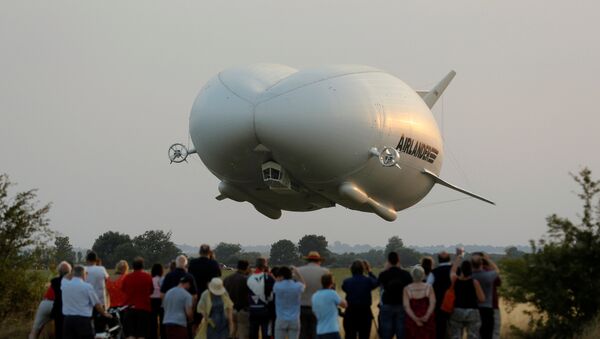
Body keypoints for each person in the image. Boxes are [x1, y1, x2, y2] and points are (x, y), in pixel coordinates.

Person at [61, 265, 112, 339]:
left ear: (73, 274)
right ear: (83, 274)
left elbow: (65, 277)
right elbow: (96, 304)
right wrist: (104, 313)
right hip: (83, 321)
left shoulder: (64, 283)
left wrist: (73, 271)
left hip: (68, 320)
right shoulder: (87, 287)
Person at [448, 251, 485, 339]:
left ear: (461, 270)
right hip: (472, 311)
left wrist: (458, 257)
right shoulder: (474, 282)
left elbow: (452, 271)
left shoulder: (455, 280)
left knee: (455, 336)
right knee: (473, 336)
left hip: (457, 310)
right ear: (470, 270)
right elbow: (482, 299)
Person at [377, 251, 413, 339]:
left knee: (386, 334)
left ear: (388, 261)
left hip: (387, 305)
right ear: (398, 260)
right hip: (402, 305)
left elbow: (381, 289)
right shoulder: (406, 274)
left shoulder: (383, 274)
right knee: (401, 333)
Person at [341, 260, 378, 339]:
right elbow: (377, 282)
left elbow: (344, 288)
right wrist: (369, 272)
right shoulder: (368, 281)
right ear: (363, 269)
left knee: (350, 336)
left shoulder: (346, 282)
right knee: (364, 336)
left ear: (352, 270)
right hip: (365, 313)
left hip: (350, 313)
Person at [297, 251, 329, 339]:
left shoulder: (299, 271)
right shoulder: (325, 272)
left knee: (302, 333)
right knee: (316, 332)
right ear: (319, 261)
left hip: (302, 307)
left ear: (308, 260)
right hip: (318, 307)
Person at [189, 245, 222, 327]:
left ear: (199, 252)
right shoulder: (213, 263)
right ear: (209, 252)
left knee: (195, 322)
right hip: (210, 295)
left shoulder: (193, 263)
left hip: (195, 294)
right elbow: (218, 276)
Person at [122, 257, 154, 339]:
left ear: (133, 266)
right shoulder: (148, 277)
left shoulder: (127, 277)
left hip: (130, 308)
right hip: (144, 309)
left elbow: (123, 290)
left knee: (130, 334)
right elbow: (151, 291)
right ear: (142, 266)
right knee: (142, 334)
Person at [471, 252, 499, 339]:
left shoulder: (471, 276)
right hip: (487, 308)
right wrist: (487, 259)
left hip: (474, 308)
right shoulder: (488, 275)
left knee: (475, 334)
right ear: (482, 263)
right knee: (487, 334)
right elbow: (497, 270)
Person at [403, 265, 436, 339]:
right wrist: (426, 317)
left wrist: (415, 319)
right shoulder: (429, 287)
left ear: (412, 275)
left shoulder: (407, 289)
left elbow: (406, 306)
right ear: (423, 275)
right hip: (427, 319)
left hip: (412, 320)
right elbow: (432, 303)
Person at [273, 266, 305, 339]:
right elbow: (303, 283)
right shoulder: (297, 286)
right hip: (294, 320)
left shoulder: (277, 286)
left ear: (281, 276)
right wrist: (296, 272)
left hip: (281, 319)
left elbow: (277, 280)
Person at [311, 273, 347, 339]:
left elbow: (314, 312)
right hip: (332, 330)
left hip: (319, 332)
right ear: (332, 282)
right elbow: (344, 305)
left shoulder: (314, 295)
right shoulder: (332, 293)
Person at [247, 257, 275, 339]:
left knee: (253, 334)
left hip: (252, 310)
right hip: (265, 310)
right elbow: (273, 295)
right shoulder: (268, 277)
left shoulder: (249, 278)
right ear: (265, 266)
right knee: (266, 334)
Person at [426, 251, 452, 339]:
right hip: (454, 304)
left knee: (440, 330)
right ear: (449, 258)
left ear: (439, 260)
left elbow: (428, 287)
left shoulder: (434, 272)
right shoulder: (456, 270)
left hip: (439, 305)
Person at [223, 260, 251, 339]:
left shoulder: (227, 279)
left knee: (231, 333)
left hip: (229, 310)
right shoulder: (246, 279)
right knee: (243, 334)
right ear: (247, 267)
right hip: (242, 310)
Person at [85, 251, 110, 332]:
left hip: (86, 303)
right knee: (100, 329)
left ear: (87, 260)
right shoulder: (101, 269)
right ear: (96, 260)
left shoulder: (84, 269)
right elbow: (107, 279)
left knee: (87, 329)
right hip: (100, 302)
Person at [50, 261, 72, 339]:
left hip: (58, 309)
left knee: (59, 332)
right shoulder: (71, 282)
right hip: (69, 310)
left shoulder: (54, 281)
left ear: (59, 271)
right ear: (69, 271)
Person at [150, 263, 165, 339]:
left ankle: (154, 336)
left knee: (153, 321)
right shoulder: (163, 279)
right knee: (162, 319)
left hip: (152, 300)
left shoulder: (150, 279)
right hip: (161, 300)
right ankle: (163, 335)